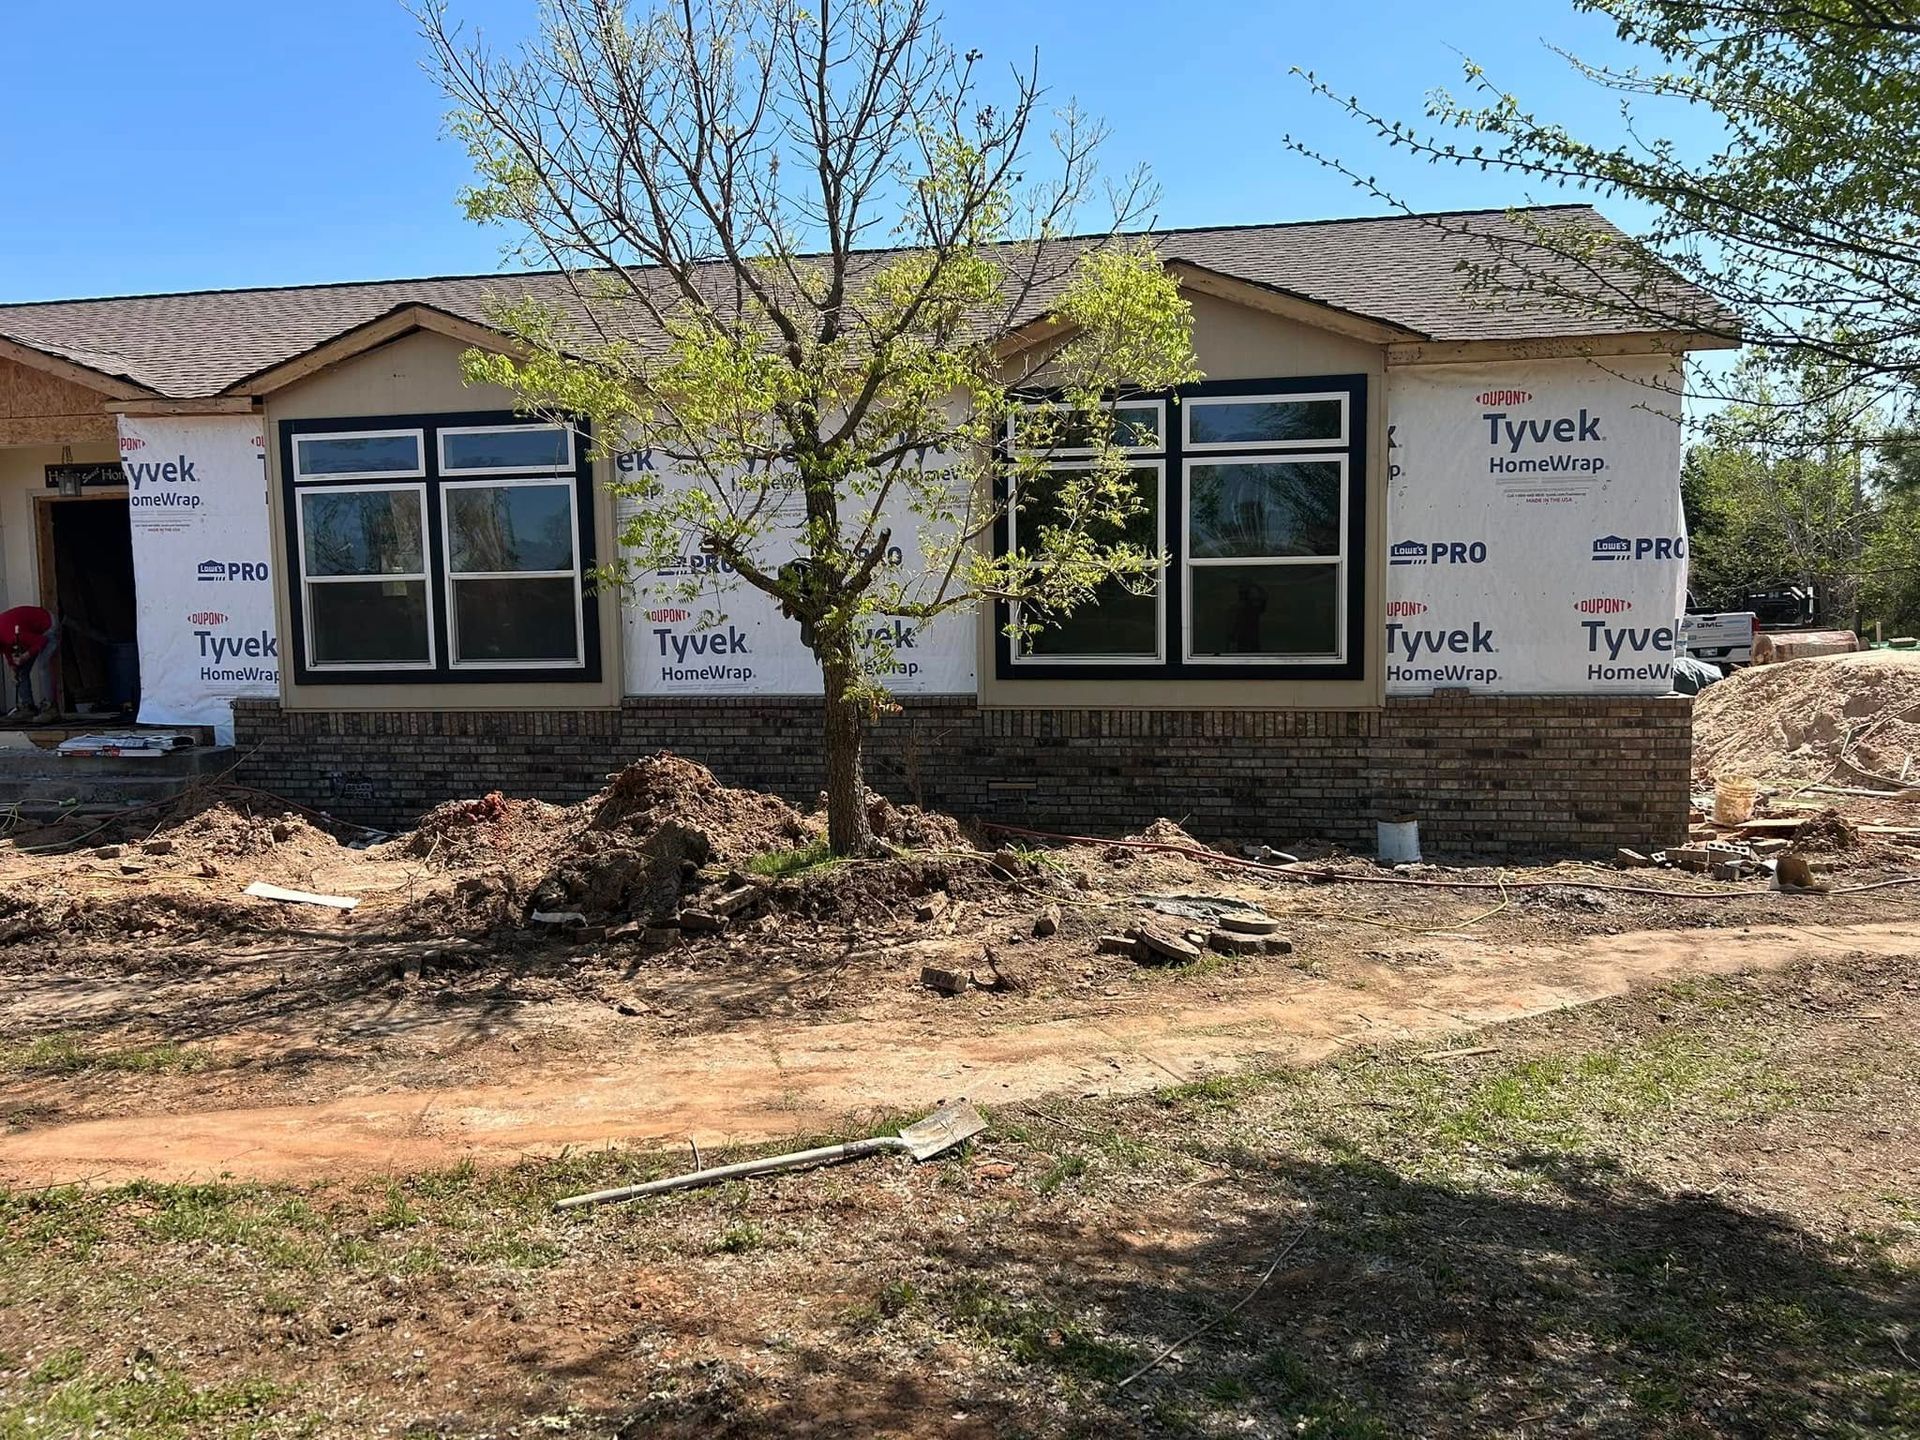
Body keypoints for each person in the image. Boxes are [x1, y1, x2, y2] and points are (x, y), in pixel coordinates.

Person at [0, 605, 59, 722]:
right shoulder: (5, 636)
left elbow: (42, 641)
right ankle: (28, 707)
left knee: (43, 665)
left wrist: (25, 656)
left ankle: (51, 707)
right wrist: (12, 667)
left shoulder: (11, 634)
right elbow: (7, 648)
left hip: (48, 626)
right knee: (20, 670)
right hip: (30, 631)